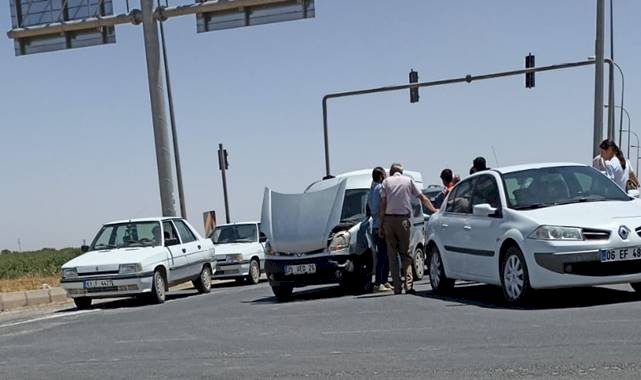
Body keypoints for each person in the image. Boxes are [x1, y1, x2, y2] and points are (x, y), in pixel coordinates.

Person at [379, 163, 438, 295]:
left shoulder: (386, 182)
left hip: (389, 220)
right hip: (404, 220)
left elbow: (382, 204)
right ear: (401, 171)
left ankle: (397, 288)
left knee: (392, 255)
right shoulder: (408, 181)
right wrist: (434, 210)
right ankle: (408, 285)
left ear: (392, 172)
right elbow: (422, 198)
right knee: (406, 254)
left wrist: (381, 225)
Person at [367, 167, 391, 292]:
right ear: (381, 176)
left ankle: (384, 280)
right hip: (380, 224)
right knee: (382, 254)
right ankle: (378, 282)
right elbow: (379, 207)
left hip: (375, 225)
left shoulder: (371, 189)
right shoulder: (379, 189)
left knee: (384, 253)